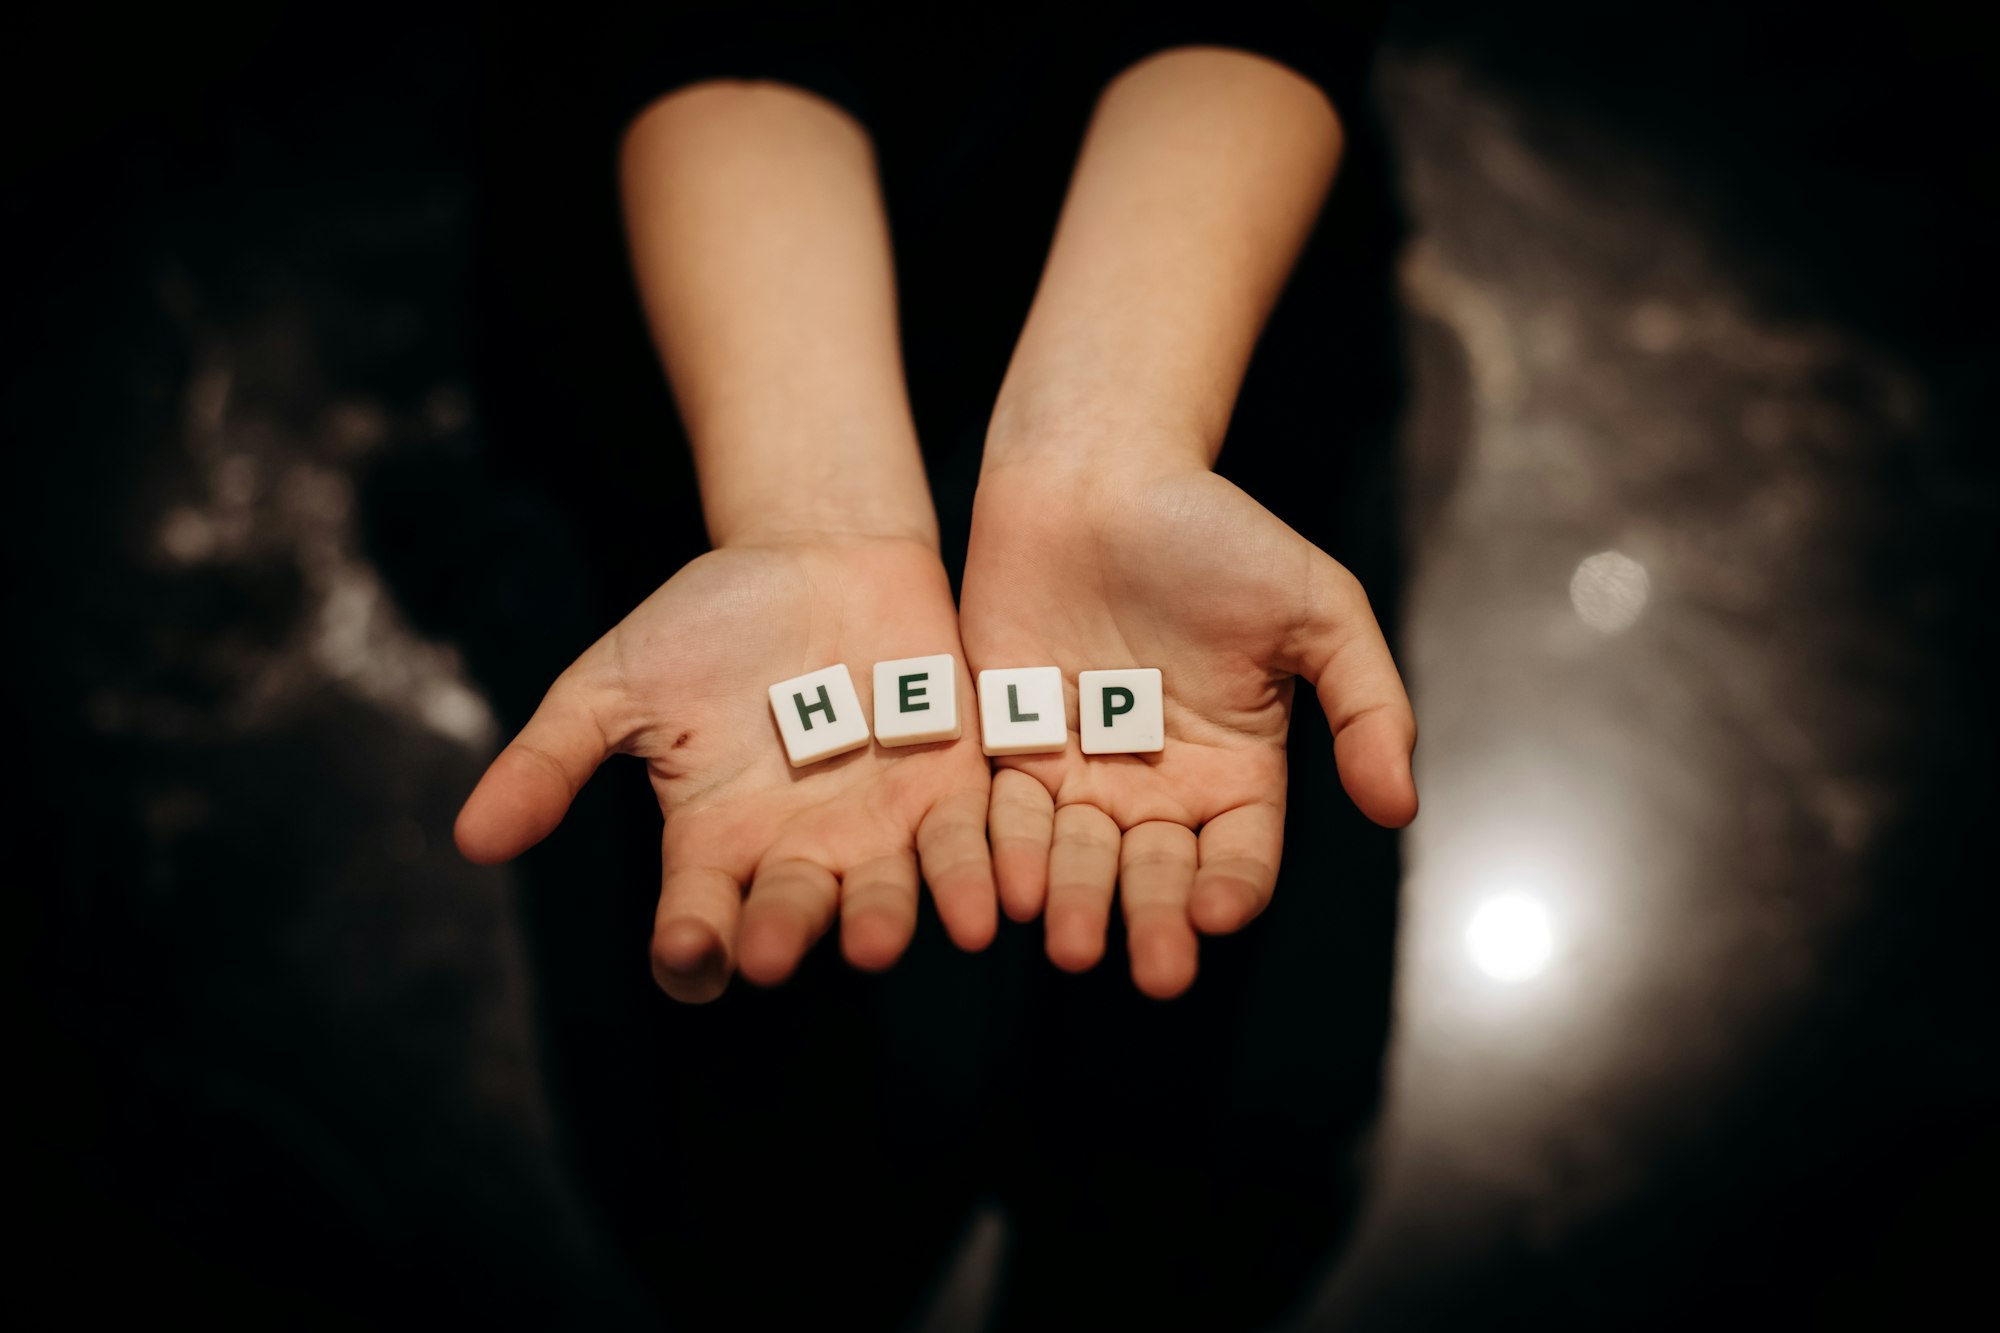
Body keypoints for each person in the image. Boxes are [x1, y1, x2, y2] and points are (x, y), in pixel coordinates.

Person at [456, 5, 1415, 1326]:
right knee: (756, 1164)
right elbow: (685, 35)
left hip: (1206, 290)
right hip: (692, 310)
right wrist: (807, 507)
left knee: (1210, 1148)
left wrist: (1115, 431)